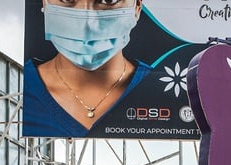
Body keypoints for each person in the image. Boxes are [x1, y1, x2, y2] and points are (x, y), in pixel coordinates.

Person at [23, 0, 151, 137]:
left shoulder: (162, 90)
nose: (86, 26)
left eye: (108, 0)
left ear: (137, 7)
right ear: (44, 3)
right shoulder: (18, 93)